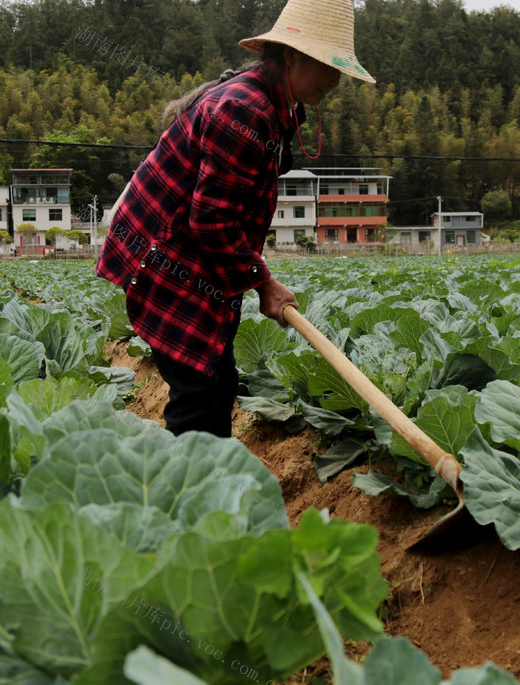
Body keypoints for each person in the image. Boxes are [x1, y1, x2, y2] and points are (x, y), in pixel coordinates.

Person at [95, 0, 375, 437]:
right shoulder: (245, 109)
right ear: (292, 56)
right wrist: (264, 284)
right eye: (327, 64)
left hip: (195, 260)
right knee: (200, 393)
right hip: (166, 258)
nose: (335, 80)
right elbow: (211, 219)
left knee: (218, 381)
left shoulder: (274, 107)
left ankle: (201, 484)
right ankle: (181, 497)